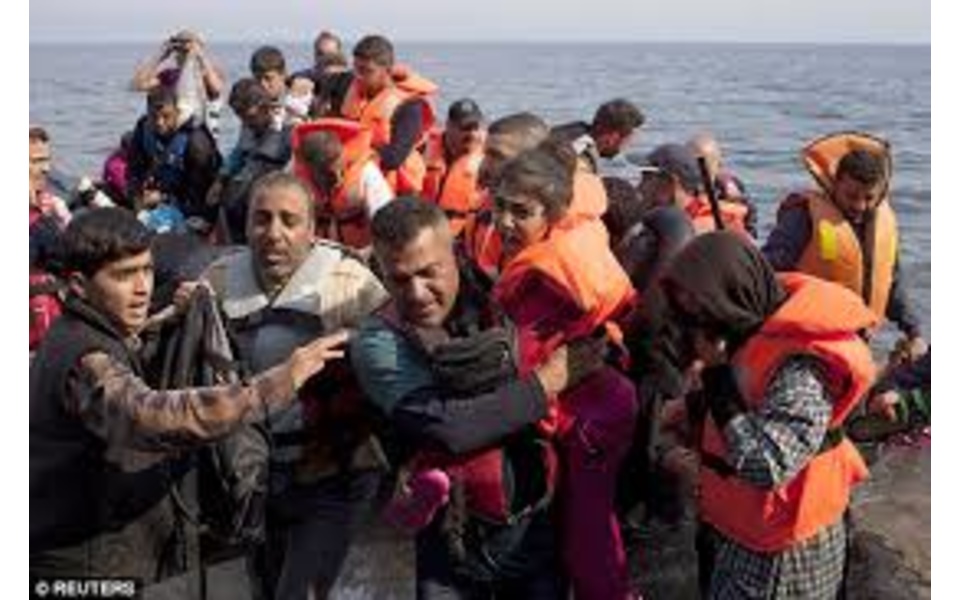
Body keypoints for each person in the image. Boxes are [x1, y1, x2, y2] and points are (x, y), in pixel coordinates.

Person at [30, 207, 350, 583]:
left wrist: (170, 320)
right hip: (81, 565)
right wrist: (276, 383)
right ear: (79, 285)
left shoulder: (82, 332)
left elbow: (128, 354)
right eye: (123, 276)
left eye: (146, 270)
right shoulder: (85, 359)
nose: (141, 288)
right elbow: (150, 417)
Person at [352, 197, 604, 599]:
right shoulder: (378, 341)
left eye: (428, 272)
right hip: (452, 543)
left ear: (455, 253)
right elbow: (449, 428)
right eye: (399, 279)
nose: (417, 293)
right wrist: (549, 381)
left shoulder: (502, 294)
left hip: (533, 526)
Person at [197, 173, 390, 600]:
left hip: (332, 468)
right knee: (263, 583)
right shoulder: (216, 283)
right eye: (261, 219)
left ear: (312, 228)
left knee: (301, 590)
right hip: (253, 472)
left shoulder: (350, 284)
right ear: (246, 224)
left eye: (289, 220)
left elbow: (398, 365)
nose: (274, 233)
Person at [656, 232, 878, 599]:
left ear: (731, 296)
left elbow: (768, 465)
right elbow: (752, 394)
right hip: (742, 527)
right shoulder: (749, 328)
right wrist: (692, 411)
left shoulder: (801, 369)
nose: (695, 323)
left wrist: (716, 376)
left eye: (700, 309)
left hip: (784, 546)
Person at [492, 145, 639, 600]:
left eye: (521, 212)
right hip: (601, 399)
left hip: (593, 419)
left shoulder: (547, 282)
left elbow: (521, 367)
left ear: (553, 215)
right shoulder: (564, 248)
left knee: (587, 537)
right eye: (499, 206)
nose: (504, 222)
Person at [762, 132, 926, 360]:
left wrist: (914, 332)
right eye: (851, 196)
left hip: (857, 340)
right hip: (808, 340)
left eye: (868, 198)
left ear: (880, 193)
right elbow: (767, 273)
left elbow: (892, 283)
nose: (860, 205)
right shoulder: (804, 216)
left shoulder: (881, 224)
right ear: (834, 184)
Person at [340, 34, 438, 195]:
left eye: (366, 71)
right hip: (356, 179)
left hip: (395, 189)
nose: (358, 76)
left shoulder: (410, 105)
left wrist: (347, 154)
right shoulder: (353, 90)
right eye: (356, 69)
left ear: (387, 70)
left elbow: (394, 158)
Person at [290, 119, 395, 250]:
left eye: (340, 169)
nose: (338, 177)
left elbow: (385, 222)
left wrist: (367, 253)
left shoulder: (366, 172)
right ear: (310, 168)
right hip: (316, 248)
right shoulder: (296, 175)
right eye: (329, 174)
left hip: (361, 250)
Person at [127, 86, 222, 230]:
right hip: (160, 190)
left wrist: (164, 198)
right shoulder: (143, 128)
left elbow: (202, 190)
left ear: (177, 112)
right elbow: (134, 168)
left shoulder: (197, 141)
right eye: (154, 117)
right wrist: (137, 197)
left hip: (193, 199)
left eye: (166, 116)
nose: (159, 123)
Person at [211, 78, 292, 243]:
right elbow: (237, 154)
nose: (245, 121)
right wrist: (220, 180)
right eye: (239, 115)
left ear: (264, 106)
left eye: (248, 116)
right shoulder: (247, 126)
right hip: (245, 189)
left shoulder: (289, 127)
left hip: (275, 185)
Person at [634, 143, 751, 236]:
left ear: (669, 184)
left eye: (646, 179)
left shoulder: (699, 230)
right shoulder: (674, 219)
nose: (639, 187)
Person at [130, 30, 226, 135]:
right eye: (179, 50)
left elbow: (216, 89)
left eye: (185, 50)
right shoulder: (169, 75)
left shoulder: (209, 74)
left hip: (198, 133)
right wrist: (161, 54)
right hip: (172, 131)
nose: (184, 54)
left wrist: (199, 55)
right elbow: (137, 84)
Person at [422, 99, 487, 236]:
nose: (472, 134)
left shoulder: (489, 158)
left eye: (476, 128)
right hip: (425, 225)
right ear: (448, 126)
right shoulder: (423, 148)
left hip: (464, 232)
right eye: (465, 128)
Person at [687, 132, 759, 238]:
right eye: (691, 164)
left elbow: (750, 224)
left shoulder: (733, 190)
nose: (697, 171)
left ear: (719, 165)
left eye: (704, 164)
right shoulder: (678, 191)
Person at [551, 98, 645, 173]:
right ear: (612, 134)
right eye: (626, 137)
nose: (626, 145)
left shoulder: (570, 132)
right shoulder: (580, 150)